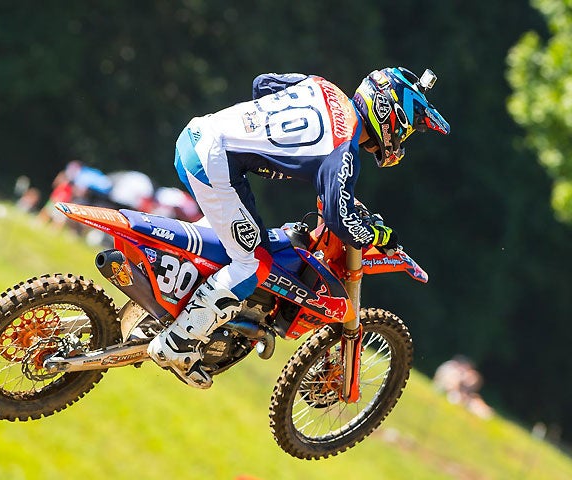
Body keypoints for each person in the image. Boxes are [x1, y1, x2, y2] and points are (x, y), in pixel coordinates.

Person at [148, 67, 450, 389]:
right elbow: (339, 218)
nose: (403, 139)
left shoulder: (324, 87)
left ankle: (165, 304)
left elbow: (261, 84)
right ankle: (177, 344)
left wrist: (272, 135)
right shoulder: (343, 149)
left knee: (236, 244)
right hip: (214, 161)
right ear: (391, 117)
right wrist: (379, 235)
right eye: (407, 130)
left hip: (200, 133)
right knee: (253, 264)